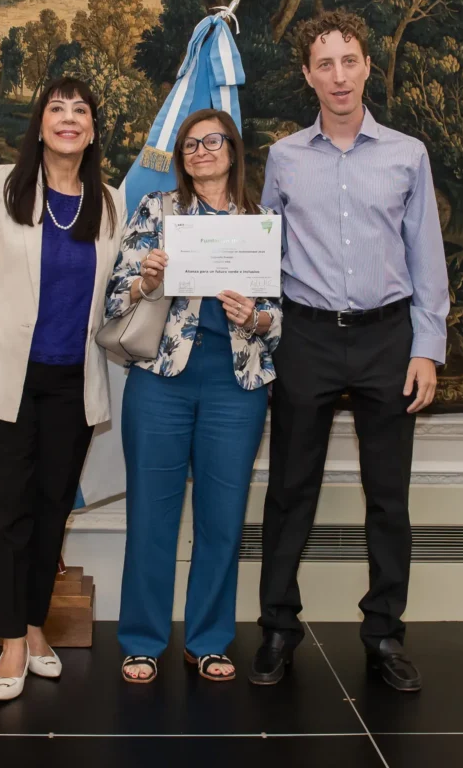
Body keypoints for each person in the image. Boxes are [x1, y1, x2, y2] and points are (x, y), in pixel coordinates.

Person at [251, 9, 450, 693]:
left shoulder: (407, 155)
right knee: (289, 491)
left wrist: (426, 348)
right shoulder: (283, 158)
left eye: (349, 61)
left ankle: (384, 632)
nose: (338, 76)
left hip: (386, 339)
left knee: (388, 496)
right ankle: (277, 629)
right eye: (324, 64)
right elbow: (265, 255)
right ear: (307, 75)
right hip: (305, 337)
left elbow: (426, 258)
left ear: (366, 67)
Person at [0, 77, 126, 701]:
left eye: (80, 111)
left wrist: (150, 279)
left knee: (51, 511)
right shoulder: (1, 185)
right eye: (57, 108)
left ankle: (34, 624)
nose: (69, 118)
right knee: (5, 515)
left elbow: (119, 294)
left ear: (92, 131)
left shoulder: (110, 203)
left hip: (73, 384)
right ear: (41, 124)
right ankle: (12, 642)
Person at [105, 109, 281, 684]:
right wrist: (146, 281)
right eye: (190, 144)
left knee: (222, 519)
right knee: (150, 515)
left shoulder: (261, 222)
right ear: (180, 158)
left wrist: (255, 318)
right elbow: (114, 297)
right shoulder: (157, 211)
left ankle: (208, 640)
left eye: (213, 141)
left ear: (233, 150)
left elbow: (282, 316)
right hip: (161, 380)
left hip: (236, 385)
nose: (201, 151)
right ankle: (142, 641)